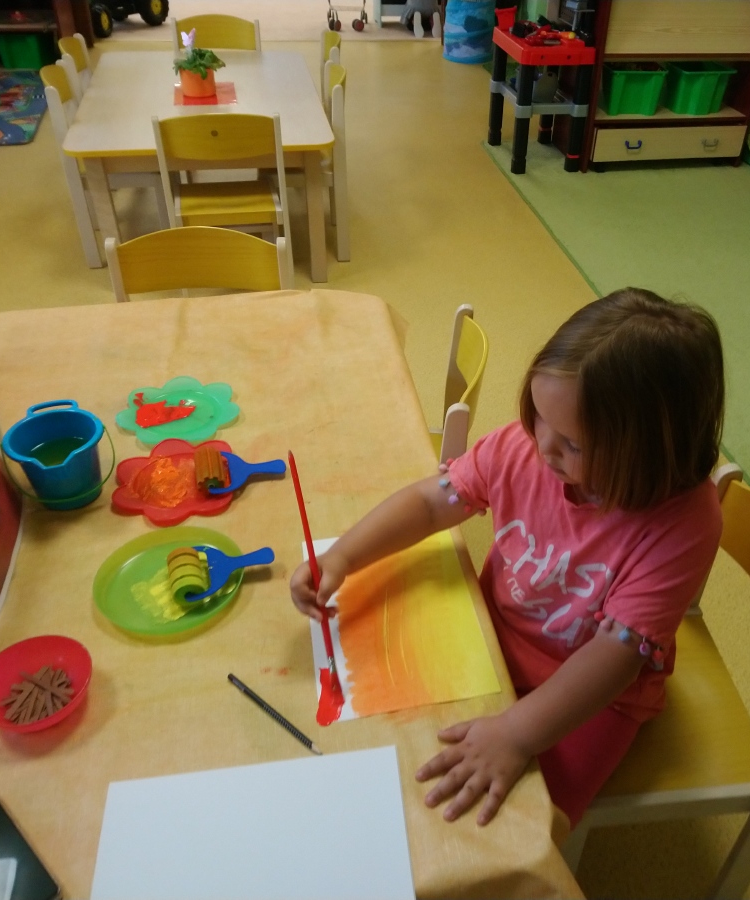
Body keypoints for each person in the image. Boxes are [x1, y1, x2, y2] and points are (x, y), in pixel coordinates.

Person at [290, 288, 726, 829]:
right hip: (494, 631)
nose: (543, 445)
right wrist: (342, 556)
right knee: (401, 753)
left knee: (525, 823)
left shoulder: (686, 523)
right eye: (539, 415)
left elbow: (616, 657)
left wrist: (517, 734)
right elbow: (431, 503)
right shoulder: (526, 447)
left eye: (573, 444)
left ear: (651, 454)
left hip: (600, 691)